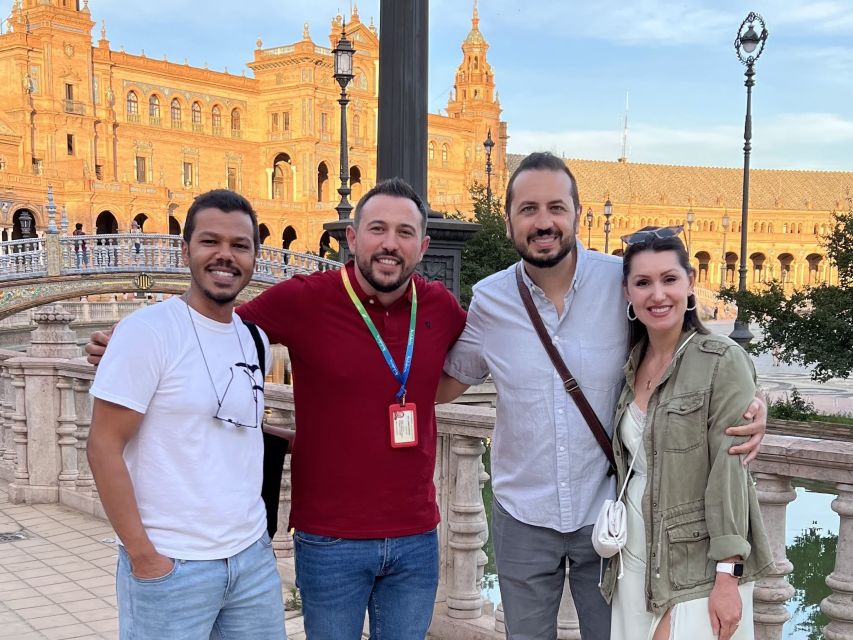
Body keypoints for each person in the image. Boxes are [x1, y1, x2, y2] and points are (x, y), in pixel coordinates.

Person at [87, 178, 467, 640]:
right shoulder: (303, 298)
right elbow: (211, 322)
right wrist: (128, 343)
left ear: (423, 245)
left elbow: (472, 362)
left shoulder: (440, 307)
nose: (390, 244)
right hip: (326, 538)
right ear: (352, 237)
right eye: (378, 229)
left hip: (404, 537)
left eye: (405, 233)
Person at [438, 152, 766, 640]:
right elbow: (445, 381)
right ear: (509, 222)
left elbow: (686, 360)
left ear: (577, 213)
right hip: (522, 513)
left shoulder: (620, 282)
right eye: (528, 209)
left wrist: (756, 406)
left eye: (556, 207)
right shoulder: (489, 299)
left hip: (610, 514)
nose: (543, 221)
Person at [87, 190, 286, 640]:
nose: (225, 256)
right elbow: (103, 446)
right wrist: (143, 556)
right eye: (210, 242)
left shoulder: (253, 338)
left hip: (250, 558)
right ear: (185, 250)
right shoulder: (148, 332)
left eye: (240, 245)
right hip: (172, 562)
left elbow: (229, 424)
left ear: (255, 255)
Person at [603, 226, 773, 640]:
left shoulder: (722, 360)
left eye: (669, 279)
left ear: (690, 284)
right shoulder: (630, 362)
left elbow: (729, 474)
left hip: (694, 561)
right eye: (643, 282)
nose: (657, 294)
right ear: (628, 293)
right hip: (632, 555)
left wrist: (728, 574)